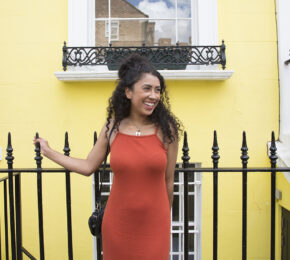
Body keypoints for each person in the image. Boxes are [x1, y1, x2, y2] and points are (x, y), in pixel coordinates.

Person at [34, 54, 182, 260]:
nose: (154, 95)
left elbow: (169, 181)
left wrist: (165, 219)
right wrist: (48, 151)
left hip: (155, 225)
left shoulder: (167, 131)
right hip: (118, 225)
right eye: (147, 88)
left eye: (158, 90)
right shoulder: (112, 127)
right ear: (128, 92)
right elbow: (87, 166)